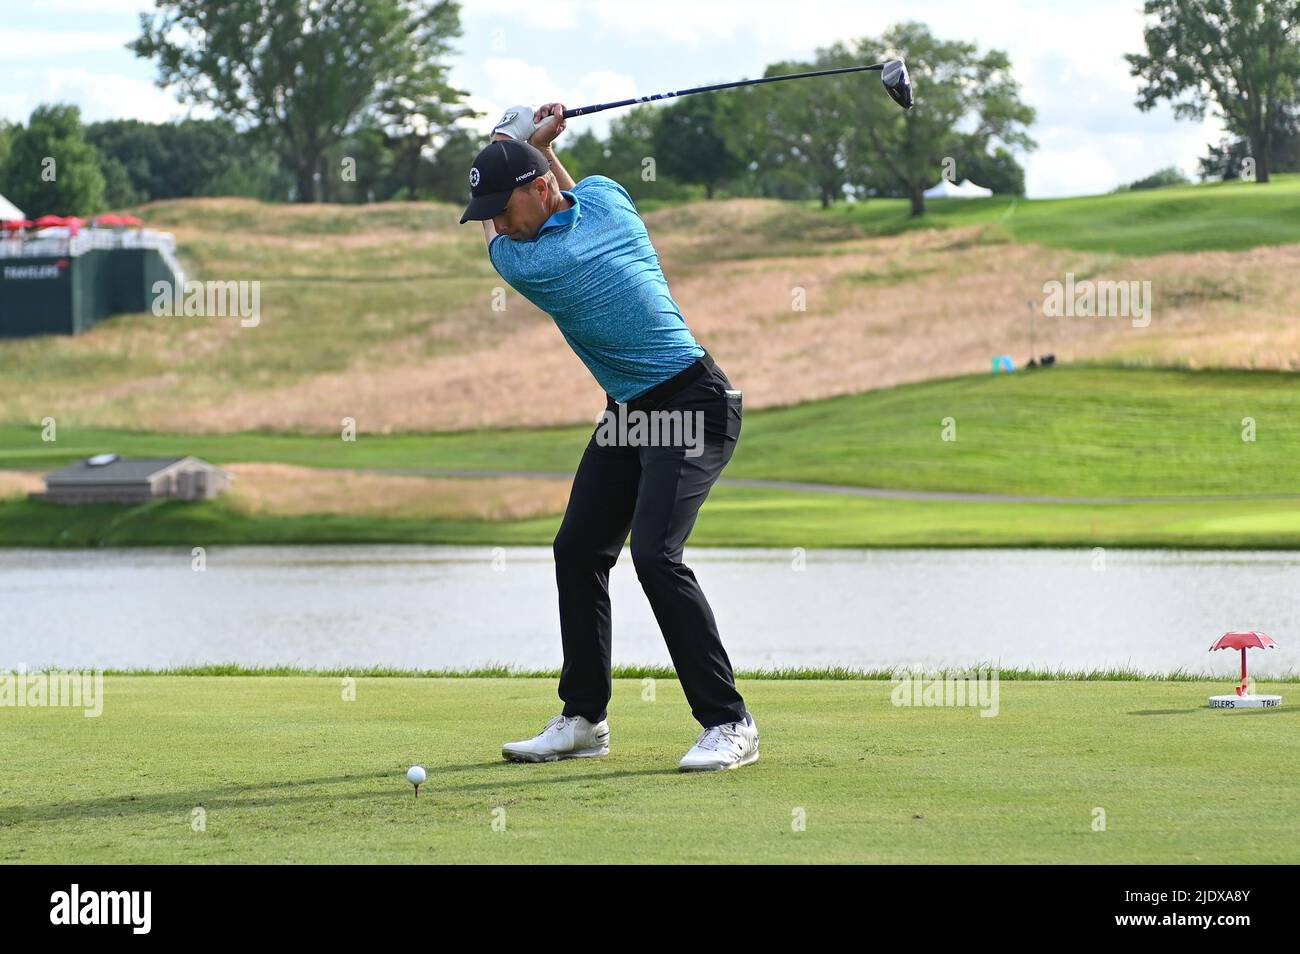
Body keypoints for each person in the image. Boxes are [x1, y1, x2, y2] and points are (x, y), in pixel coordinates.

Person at [459, 102, 758, 772]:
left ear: (538, 191)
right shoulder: (609, 202)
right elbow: (565, 190)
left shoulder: (531, 263)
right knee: (579, 549)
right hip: (631, 410)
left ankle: (731, 723)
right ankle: (584, 720)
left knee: (655, 556)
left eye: (502, 211)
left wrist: (514, 139)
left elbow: (530, 213)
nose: (498, 227)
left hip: (693, 402)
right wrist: (533, 145)